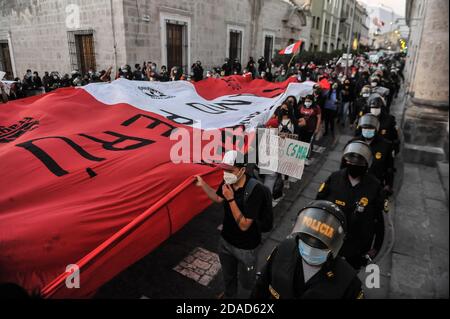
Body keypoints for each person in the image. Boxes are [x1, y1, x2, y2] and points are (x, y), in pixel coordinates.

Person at [251, 200, 364, 299]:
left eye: (321, 242)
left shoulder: (348, 281)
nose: (311, 249)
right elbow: (261, 287)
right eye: (308, 238)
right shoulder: (283, 250)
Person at [195, 151, 265, 299]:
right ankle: (229, 295)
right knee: (228, 276)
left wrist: (231, 199)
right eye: (224, 170)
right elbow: (218, 198)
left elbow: (245, 225)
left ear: (242, 170)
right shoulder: (228, 183)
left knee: (247, 283)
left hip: (246, 247)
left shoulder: (255, 190)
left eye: (230, 170)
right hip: (226, 242)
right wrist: (203, 185)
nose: (226, 174)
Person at [316, 140, 387, 269]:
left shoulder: (374, 186)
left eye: (359, 162)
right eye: (351, 160)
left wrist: (376, 247)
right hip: (331, 239)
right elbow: (318, 205)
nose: (354, 164)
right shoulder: (335, 178)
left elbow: (379, 220)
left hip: (358, 245)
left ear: (367, 164)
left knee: (349, 274)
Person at [353, 114, 395, 196]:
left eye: (370, 128)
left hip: (375, 183)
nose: (367, 130)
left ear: (375, 129)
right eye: (365, 128)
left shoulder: (386, 145)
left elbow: (389, 167)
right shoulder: (354, 143)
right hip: (356, 182)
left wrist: (388, 185)